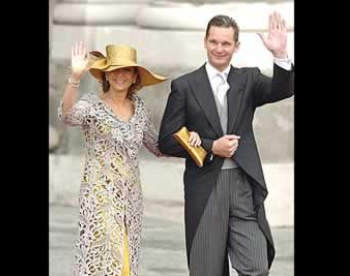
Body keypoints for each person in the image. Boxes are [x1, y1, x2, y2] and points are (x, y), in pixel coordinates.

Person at [158, 12, 294, 276]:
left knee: (257, 265)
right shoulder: (185, 86)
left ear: (236, 46)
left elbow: (283, 89)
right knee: (207, 271)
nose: (219, 49)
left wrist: (280, 54)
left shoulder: (249, 80)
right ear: (205, 42)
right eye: (214, 42)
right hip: (206, 187)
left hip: (243, 185)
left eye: (226, 43)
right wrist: (210, 146)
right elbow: (166, 141)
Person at [58, 42, 199, 276]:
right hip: (100, 198)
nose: (120, 75)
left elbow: (158, 146)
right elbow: (67, 116)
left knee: (126, 261)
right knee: (106, 260)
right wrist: (74, 78)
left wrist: (190, 138)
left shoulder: (140, 108)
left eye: (126, 70)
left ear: (135, 77)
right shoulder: (92, 105)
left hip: (131, 199)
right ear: (105, 74)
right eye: (114, 69)